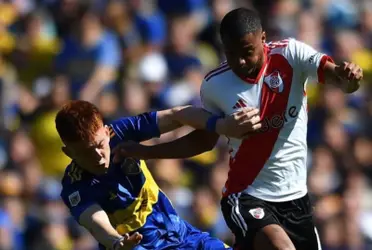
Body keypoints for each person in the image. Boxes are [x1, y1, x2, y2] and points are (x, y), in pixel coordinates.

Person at [112, 8, 363, 250]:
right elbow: (203, 142)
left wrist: (349, 78)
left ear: (263, 39)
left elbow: (340, 80)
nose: (240, 61)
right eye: (231, 53)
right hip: (246, 195)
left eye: (247, 52)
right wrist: (145, 152)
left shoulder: (291, 55)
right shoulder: (215, 85)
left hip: (297, 199)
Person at [56, 100, 261, 250]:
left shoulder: (121, 132)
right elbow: (96, 223)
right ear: (68, 153)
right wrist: (116, 242)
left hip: (182, 235)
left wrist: (222, 126)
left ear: (106, 131)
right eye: (85, 152)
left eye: (100, 145)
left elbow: (177, 115)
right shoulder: (74, 186)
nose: (98, 157)